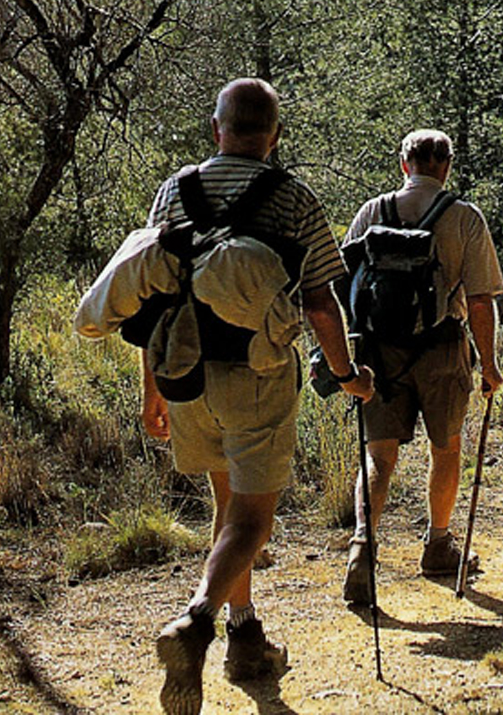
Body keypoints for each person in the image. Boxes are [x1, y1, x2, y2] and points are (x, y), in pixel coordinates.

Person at [145, 78, 374, 715]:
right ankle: (197, 623)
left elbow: (153, 293)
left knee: (227, 507)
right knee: (252, 519)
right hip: (259, 372)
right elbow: (322, 301)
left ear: (216, 128)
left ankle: (244, 633)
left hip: (185, 375)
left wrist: (152, 390)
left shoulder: (175, 191)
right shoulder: (293, 197)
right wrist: (346, 373)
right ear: (273, 136)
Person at [341, 129, 503, 604]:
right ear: (446, 166)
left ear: (404, 164)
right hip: (441, 348)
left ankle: (362, 546)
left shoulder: (372, 213)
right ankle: (437, 544)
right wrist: (489, 363)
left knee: (379, 456)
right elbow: (479, 300)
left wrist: (348, 358)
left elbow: (343, 283)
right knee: (446, 448)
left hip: (378, 356)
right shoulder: (464, 217)